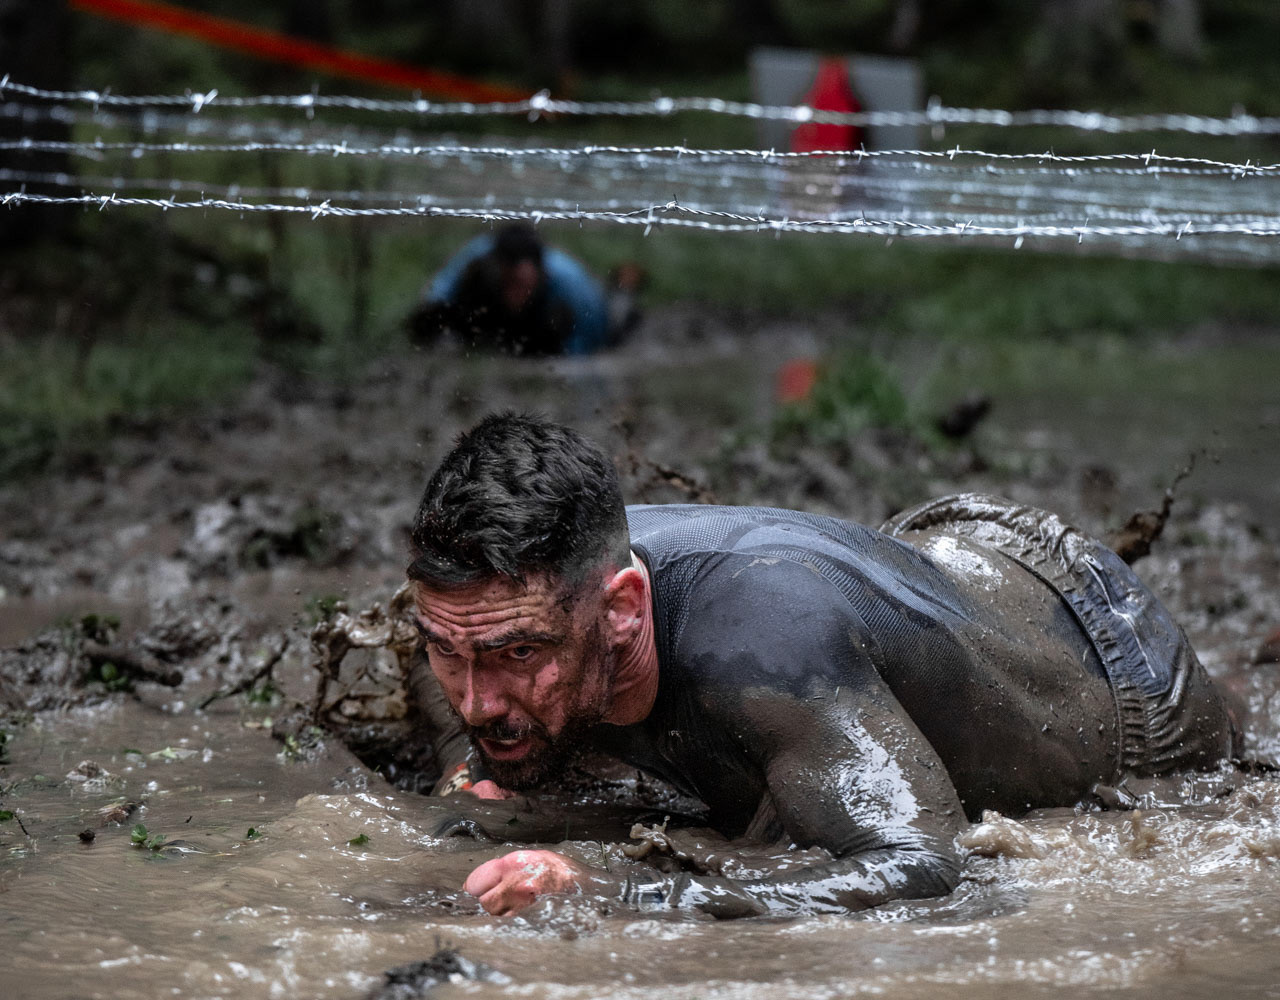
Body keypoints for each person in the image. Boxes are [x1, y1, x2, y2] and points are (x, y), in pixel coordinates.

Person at [406, 414, 1237, 919]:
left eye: (519, 656)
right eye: (450, 651)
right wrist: (468, 770)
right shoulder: (487, 605)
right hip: (906, 568)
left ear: (623, 608)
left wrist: (622, 899)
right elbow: (449, 663)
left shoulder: (765, 651)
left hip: (1113, 669)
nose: (477, 702)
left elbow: (924, 866)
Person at [406, 223, 640, 356]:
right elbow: (433, 301)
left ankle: (623, 293)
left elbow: (592, 339)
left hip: (575, 319)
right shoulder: (475, 260)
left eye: (523, 285)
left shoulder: (569, 282)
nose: (516, 294)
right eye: (511, 283)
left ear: (540, 274)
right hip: (502, 315)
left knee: (615, 324)